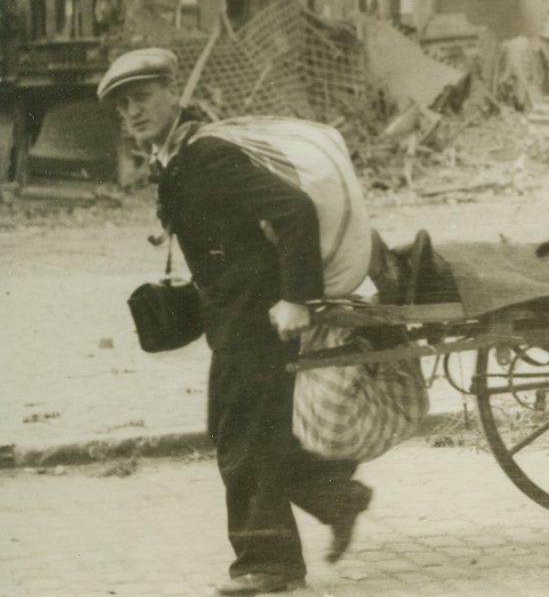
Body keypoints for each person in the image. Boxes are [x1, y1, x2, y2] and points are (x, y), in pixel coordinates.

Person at [97, 49, 373, 597]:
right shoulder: (174, 157)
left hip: (261, 315)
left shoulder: (207, 155)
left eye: (143, 99)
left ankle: (268, 564)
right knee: (234, 429)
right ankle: (334, 497)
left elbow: (295, 210)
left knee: (241, 435)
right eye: (124, 106)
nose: (133, 113)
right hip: (232, 314)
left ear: (170, 93)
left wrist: (298, 298)